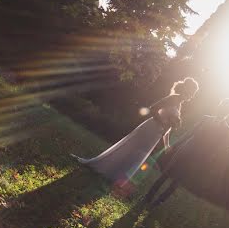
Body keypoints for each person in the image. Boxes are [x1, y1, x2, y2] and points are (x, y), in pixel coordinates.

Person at [71, 78, 199, 191]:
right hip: (151, 127)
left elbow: (169, 128)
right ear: (187, 90)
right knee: (130, 148)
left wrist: (166, 144)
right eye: (192, 93)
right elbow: (153, 107)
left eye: (194, 94)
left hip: (156, 134)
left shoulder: (180, 105)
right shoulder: (173, 98)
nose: (192, 96)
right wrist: (161, 123)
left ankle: (115, 177)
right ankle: (104, 168)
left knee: (138, 156)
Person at [144, 98, 229, 207]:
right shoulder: (205, 119)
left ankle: (159, 201)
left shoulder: (226, 130)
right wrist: (174, 146)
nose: (223, 109)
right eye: (222, 106)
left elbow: (216, 149)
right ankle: (148, 196)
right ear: (220, 106)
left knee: (177, 181)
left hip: (198, 159)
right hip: (185, 149)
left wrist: (205, 162)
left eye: (226, 109)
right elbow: (189, 133)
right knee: (166, 173)